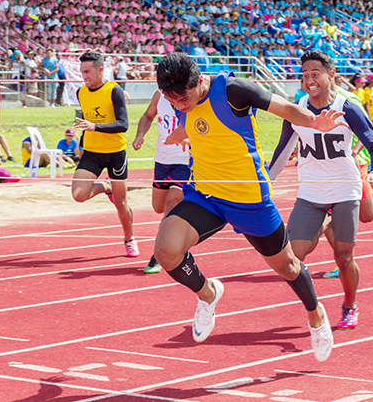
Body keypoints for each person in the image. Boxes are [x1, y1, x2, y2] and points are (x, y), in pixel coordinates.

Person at [152, 52, 341, 360]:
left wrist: (313, 122)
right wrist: (180, 132)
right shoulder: (180, 98)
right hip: (207, 196)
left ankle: (316, 313)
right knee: (166, 251)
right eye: (172, 101)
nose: (179, 106)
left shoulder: (233, 90)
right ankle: (208, 293)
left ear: (199, 81)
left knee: (288, 267)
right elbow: (198, 121)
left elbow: (284, 108)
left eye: (183, 100)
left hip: (250, 200)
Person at [268, 50, 373, 331]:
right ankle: (314, 306)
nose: (309, 80)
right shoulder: (297, 109)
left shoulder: (348, 106)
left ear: (331, 74)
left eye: (315, 73)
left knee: (344, 258)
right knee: (291, 259)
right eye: (305, 75)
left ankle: (349, 306)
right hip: (310, 192)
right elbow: (282, 151)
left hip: (345, 188)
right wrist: (265, 181)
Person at [72, 51, 137, 258]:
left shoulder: (114, 91)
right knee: (78, 195)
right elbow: (85, 122)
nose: (84, 76)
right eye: (82, 72)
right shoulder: (81, 92)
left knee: (121, 203)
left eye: (88, 72)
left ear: (100, 70)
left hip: (115, 153)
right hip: (91, 152)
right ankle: (105, 186)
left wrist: (95, 126)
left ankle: (129, 239)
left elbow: (123, 124)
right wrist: (81, 145)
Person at [132, 89, 190, 274]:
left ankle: (159, 254)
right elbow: (148, 116)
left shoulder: (189, 97)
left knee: (172, 204)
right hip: (162, 160)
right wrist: (140, 135)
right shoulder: (158, 95)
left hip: (183, 161)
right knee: (159, 207)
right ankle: (181, 230)